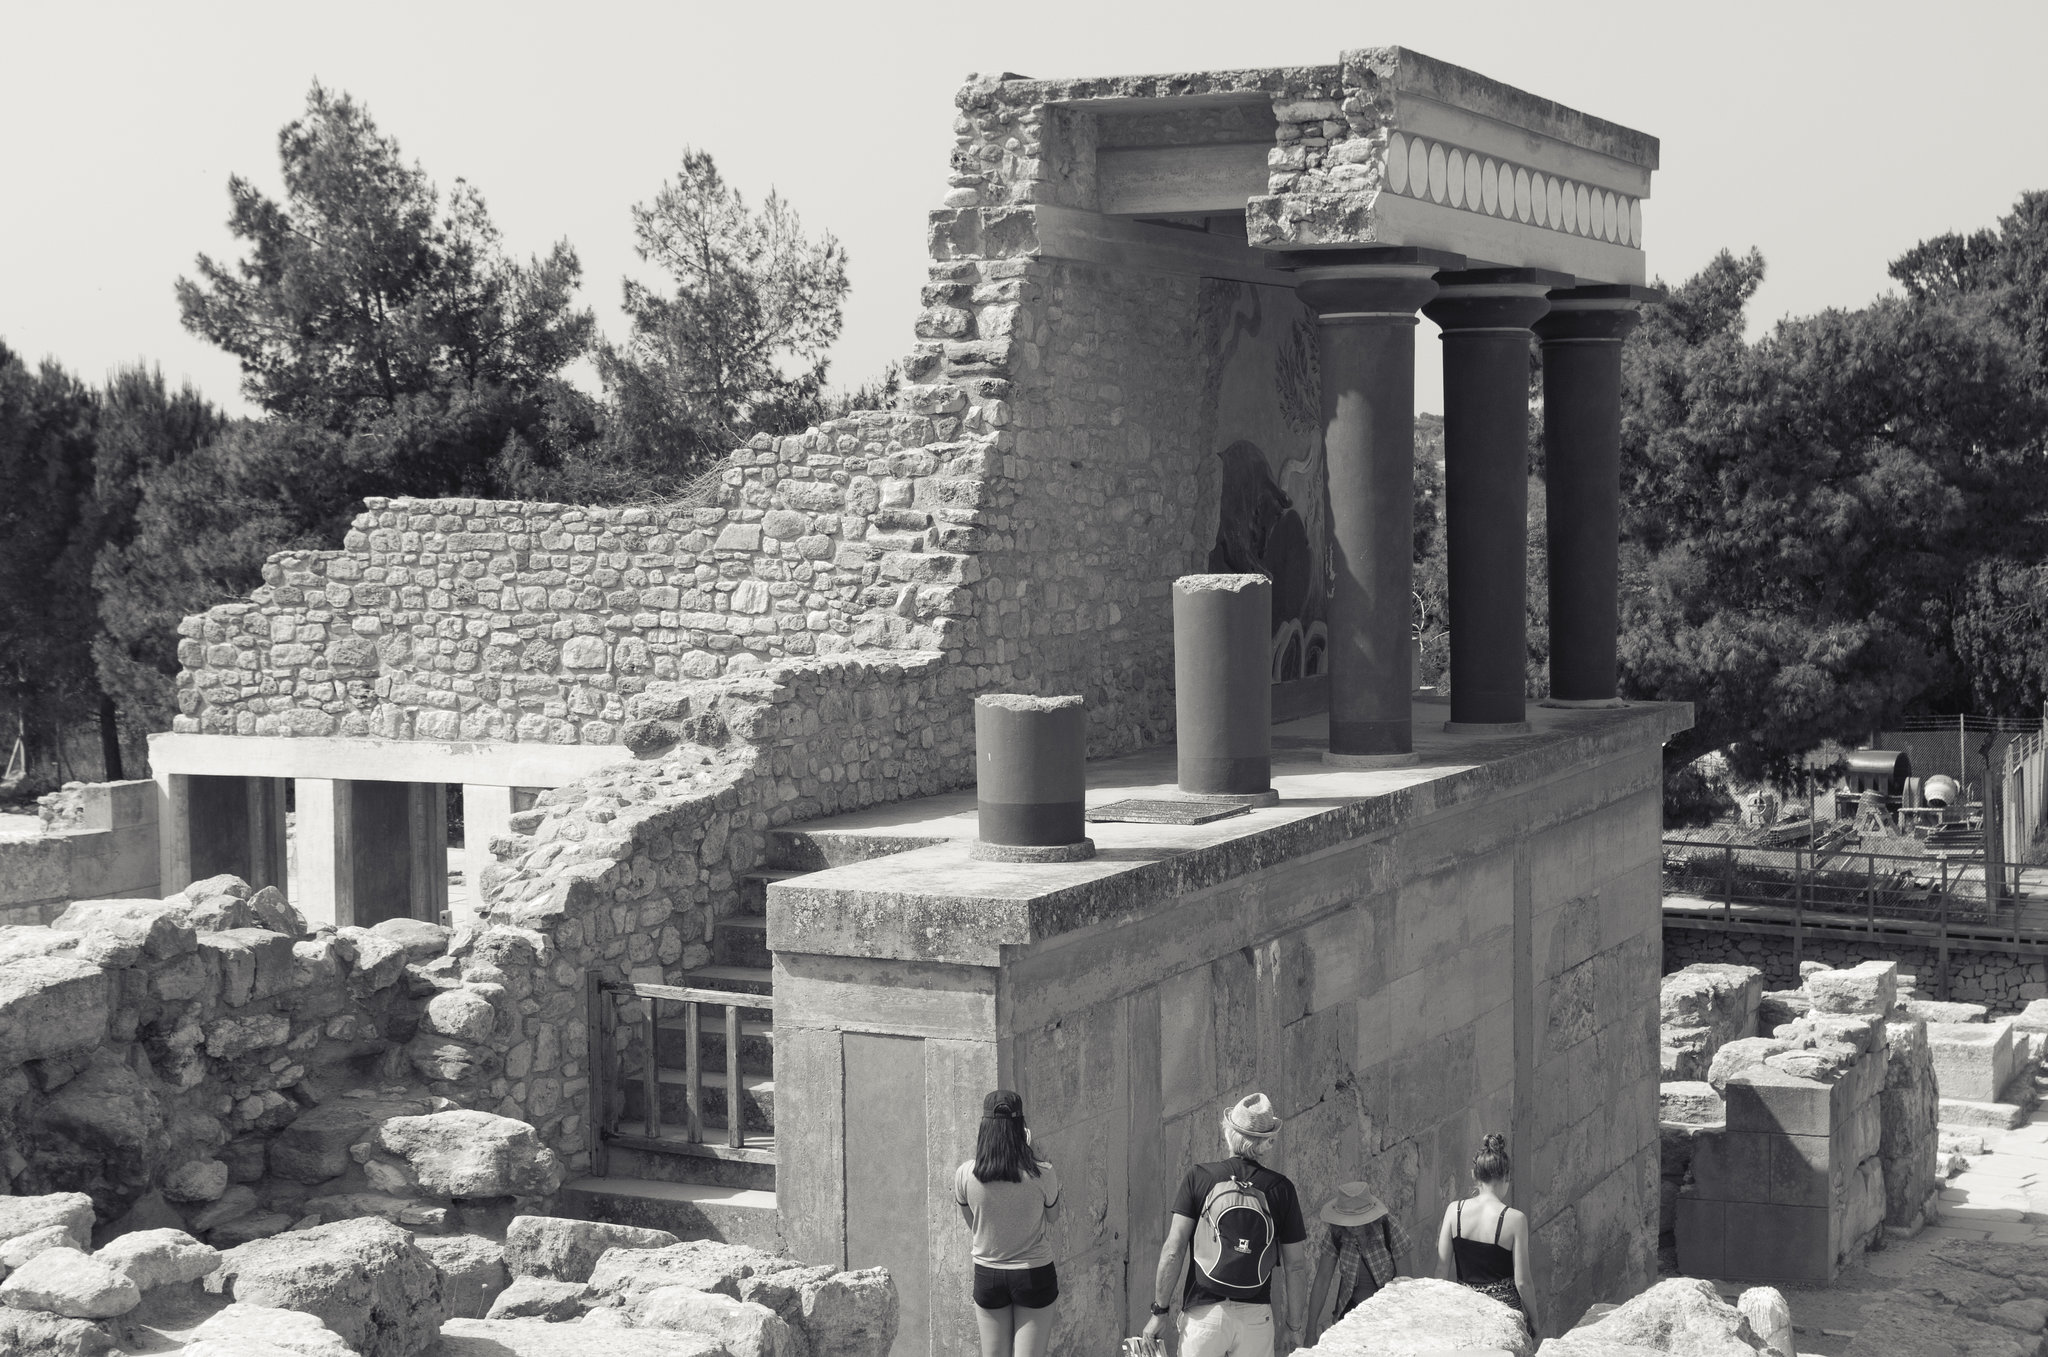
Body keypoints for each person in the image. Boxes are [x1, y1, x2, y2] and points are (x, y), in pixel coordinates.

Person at [1140, 1092, 1310, 1356]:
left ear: (1228, 1131)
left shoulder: (1200, 1177)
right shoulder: (1281, 1189)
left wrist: (1159, 1312)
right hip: (1256, 1319)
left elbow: (1173, 1251)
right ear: (1267, 1142)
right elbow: (1296, 1265)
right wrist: (1294, 1325)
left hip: (1203, 1316)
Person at [955, 1089, 1061, 1357]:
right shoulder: (1043, 1173)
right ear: (1021, 1128)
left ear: (984, 1127)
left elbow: (973, 1223)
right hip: (1033, 1272)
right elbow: (1053, 1216)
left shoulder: (965, 1174)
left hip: (988, 1273)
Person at [1435, 1132, 1534, 1336]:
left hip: (1466, 1311)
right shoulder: (1516, 1219)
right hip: (1503, 1315)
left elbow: (1441, 1270)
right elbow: (1523, 1282)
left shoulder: (1454, 1210)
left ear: (1474, 1175)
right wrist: (1535, 1319)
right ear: (1506, 1177)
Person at [1303, 1181, 1410, 1344]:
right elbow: (1323, 1279)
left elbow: (1406, 1282)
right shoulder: (1336, 1233)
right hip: (1350, 1316)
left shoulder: (1389, 1227)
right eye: (1347, 1221)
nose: (1352, 1227)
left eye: (1357, 1221)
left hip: (1387, 1317)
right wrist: (1310, 1332)